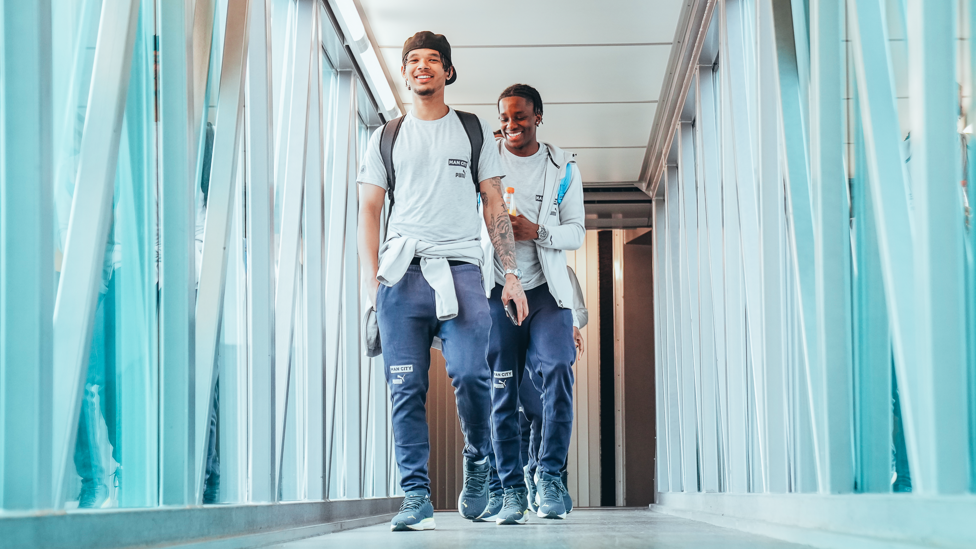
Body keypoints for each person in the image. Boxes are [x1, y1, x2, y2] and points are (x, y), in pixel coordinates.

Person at [357, 31, 528, 532]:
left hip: (462, 271)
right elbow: (369, 208)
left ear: (448, 72)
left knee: (473, 375)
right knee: (404, 388)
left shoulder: (472, 131)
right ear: (405, 73)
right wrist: (372, 281)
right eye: (413, 60)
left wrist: (511, 275)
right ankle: (416, 496)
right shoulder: (385, 137)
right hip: (401, 275)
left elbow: (495, 206)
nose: (422, 67)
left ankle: (478, 458)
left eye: (433, 60)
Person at [483, 84, 585, 522]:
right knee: (502, 391)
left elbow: (576, 232)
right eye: (504, 117)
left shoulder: (562, 169)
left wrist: (537, 233)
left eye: (520, 116)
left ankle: (550, 476)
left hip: (547, 292)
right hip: (498, 292)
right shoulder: (484, 164)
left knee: (559, 369)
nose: (511, 125)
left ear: (538, 116)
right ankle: (509, 488)